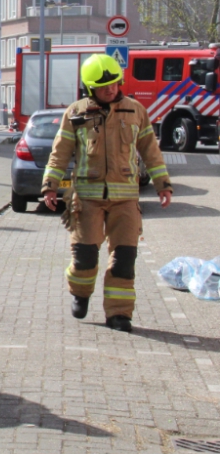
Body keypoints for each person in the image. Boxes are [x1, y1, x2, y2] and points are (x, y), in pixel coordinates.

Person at [42, 54, 172, 333]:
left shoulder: (135, 110)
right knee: (85, 258)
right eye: (104, 87)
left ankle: (119, 314)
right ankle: (80, 292)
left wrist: (163, 184)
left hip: (125, 201)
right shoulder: (76, 113)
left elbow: (150, 150)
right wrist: (50, 185)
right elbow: (60, 152)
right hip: (87, 201)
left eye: (114, 83)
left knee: (125, 259)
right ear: (90, 89)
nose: (111, 89)